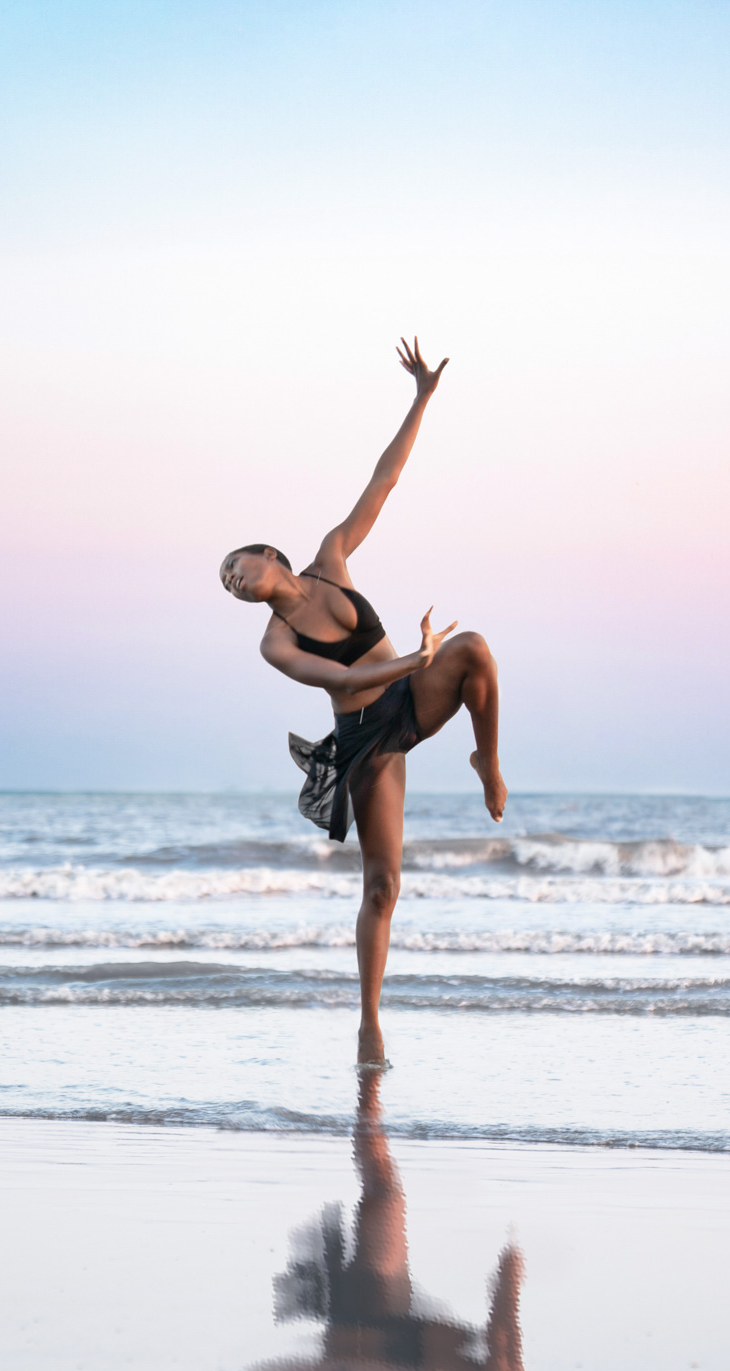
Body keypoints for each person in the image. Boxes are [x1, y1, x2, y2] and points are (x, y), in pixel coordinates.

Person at [220, 339, 507, 1064]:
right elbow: (343, 683)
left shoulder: (332, 557)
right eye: (226, 582)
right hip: (368, 740)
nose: (233, 579)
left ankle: (486, 757)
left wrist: (421, 399)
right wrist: (415, 657)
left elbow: (384, 480)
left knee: (474, 646)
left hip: (413, 694)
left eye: (237, 565)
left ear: (270, 556)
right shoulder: (275, 642)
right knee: (383, 885)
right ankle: (369, 1020)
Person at [234, 1070, 524, 1371]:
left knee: (384, 1193)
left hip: (363, 1322)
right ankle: (511, 1268)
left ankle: (368, 1087)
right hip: (403, 1353)